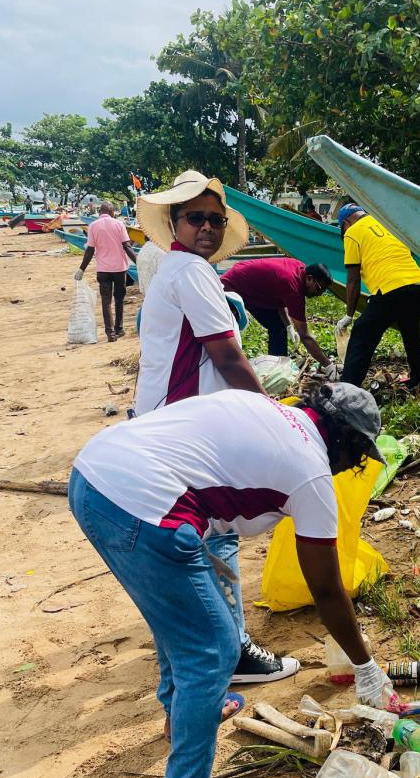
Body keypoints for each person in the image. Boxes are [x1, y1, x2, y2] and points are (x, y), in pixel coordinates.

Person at [69, 383, 399, 778]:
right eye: (358, 456)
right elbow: (326, 589)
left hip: (93, 475)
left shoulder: (266, 408)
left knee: (178, 618)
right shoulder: (311, 474)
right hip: (144, 505)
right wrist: (366, 667)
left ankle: (177, 716)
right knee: (213, 653)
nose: (354, 466)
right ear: (345, 441)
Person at [135, 170, 295, 684]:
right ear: (174, 223)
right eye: (195, 218)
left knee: (191, 536)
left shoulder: (178, 269)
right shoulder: (192, 273)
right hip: (186, 426)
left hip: (167, 419)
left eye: (215, 220)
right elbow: (226, 355)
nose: (207, 227)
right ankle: (232, 651)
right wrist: (273, 418)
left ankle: (200, 644)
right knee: (217, 531)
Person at [336, 204, 420, 391]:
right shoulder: (386, 224)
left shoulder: (352, 232)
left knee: (362, 334)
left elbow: (353, 278)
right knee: (410, 333)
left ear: (345, 223)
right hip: (418, 285)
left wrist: (349, 315)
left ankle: (347, 390)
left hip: (391, 289)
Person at [222, 256, 335, 370]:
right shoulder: (293, 286)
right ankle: (230, 369)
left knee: (278, 326)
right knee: (227, 333)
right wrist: (328, 365)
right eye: (319, 288)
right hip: (232, 286)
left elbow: (278, 297)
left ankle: (276, 368)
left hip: (252, 290)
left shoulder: (299, 269)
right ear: (309, 278)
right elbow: (305, 336)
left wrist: (288, 325)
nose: (319, 294)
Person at [76, 202, 138, 342]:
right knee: (119, 300)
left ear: (100, 212)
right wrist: (139, 262)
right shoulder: (119, 224)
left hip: (103, 270)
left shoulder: (93, 226)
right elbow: (127, 246)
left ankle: (110, 333)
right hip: (119, 269)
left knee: (106, 301)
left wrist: (82, 269)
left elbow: (90, 250)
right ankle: (119, 329)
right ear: (111, 212)